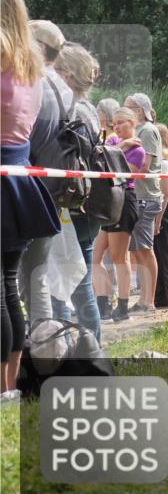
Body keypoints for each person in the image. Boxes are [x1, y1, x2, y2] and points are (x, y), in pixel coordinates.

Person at [1, 0, 60, 398]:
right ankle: (10, 384)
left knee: (3, 288)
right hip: (19, 177)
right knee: (8, 285)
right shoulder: (32, 70)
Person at [18, 18, 72, 326]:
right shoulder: (63, 87)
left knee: (14, 279)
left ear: (38, 47)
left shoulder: (30, 83)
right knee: (35, 276)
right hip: (51, 192)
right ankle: (44, 344)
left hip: (23, 188)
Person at [50, 42, 103, 338]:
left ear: (67, 74)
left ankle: (64, 348)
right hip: (86, 203)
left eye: (55, 69)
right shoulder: (89, 109)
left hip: (68, 205)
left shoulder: (69, 109)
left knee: (62, 287)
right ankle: (91, 349)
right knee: (81, 286)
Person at [100, 108, 144, 321]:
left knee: (119, 256)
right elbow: (101, 156)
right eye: (114, 123)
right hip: (107, 200)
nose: (116, 127)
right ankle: (103, 303)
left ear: (132, 122)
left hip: (125, 199)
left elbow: (123, 174)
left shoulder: (138, 150)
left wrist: (122, 147)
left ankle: (123, 306)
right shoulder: (114, 141)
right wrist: (122, 145)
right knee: (96, 255)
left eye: (121, 123)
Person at [121, 93, 162, 314]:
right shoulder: (140, 131)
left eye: (128, 107)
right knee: (138, 251)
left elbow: (144, 166)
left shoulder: (147, 131)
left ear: (138, 110)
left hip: (145, 196)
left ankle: (148, 301)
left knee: (145, 250)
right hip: (138, 196)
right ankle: (144, 299)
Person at [153, 122, 168, 307]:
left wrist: (158, 219)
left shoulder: (164, 163)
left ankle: (162, 296)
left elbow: (165, 193)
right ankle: (157, 294)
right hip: (160, 209)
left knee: (161, 252)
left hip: (163, 211)